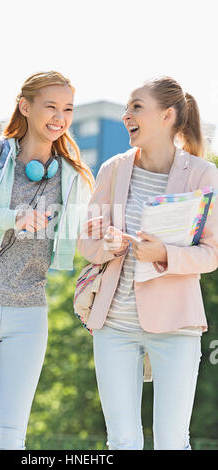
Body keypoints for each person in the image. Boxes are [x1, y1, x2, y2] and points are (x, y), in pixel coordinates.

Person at [0, 71, 94, 450]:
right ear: (25, 107)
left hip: (29, 311)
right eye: (51, 107)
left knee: (12, 436)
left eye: (68, 109)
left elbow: (83, 236)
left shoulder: (71, 176)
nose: (60, 117)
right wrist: (12, 217)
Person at [77, 76, 218, 450]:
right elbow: (86, 241)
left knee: (172, 441)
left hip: (176, 326)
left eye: (137, 107)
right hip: (114, 325)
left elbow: (212, 254)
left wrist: (164, 255)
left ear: (167, 115)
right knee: (122, 441)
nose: (126, 116)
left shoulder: (204, 175)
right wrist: (105, 246)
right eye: (126, 108)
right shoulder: (113, 169)